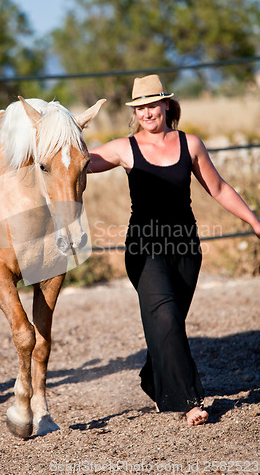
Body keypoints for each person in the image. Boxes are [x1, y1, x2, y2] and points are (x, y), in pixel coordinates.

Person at [88, 74, 260, 426]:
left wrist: (254, 221)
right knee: (165, 316)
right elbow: (83, 162)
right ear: (135, 112)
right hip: (144, 247)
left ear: (166, 104)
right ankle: (189, 401)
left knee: (169, 321)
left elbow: (219, 188)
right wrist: (51, 147)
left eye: (153, 104)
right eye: (140, 108)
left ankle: (154, 380)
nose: (147, 113)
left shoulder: (190, 143)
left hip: (186, 247)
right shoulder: (124, 147)